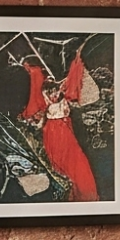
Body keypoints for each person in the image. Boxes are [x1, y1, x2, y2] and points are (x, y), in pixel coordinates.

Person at [21, 50, 98, 202]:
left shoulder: (58, 87)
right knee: (63, 160)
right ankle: (74, 191)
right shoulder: (46, 89)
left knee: (72, 160)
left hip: (61, 128)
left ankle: (81, 193)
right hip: (55, 129)